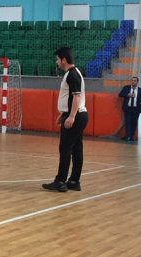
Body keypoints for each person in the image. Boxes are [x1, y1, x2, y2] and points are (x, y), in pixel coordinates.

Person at [43, 47, 88, 192]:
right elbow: (70, 97)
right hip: (76, 114)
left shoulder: (72, 74)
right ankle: (74, 181)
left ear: (64, 60)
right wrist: (63, 114)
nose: (56, 62)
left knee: (65, 148)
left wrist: (71, 116)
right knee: (76, 149)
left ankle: (60, 181)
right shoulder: (74, 73)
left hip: (76, 115)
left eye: (57, 59)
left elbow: (76, 97)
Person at [118, 76, 141, 141]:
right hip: (127, 108)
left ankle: (131, 136)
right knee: (128, 122)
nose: (133, 82)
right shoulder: (126, 88)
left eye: (134, 81)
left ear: (137, 82)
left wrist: (140, 109)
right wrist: (127, 95)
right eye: (132, 80)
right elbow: (120, 94)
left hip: (136, 109)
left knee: (134, 123)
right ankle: (128, 136)